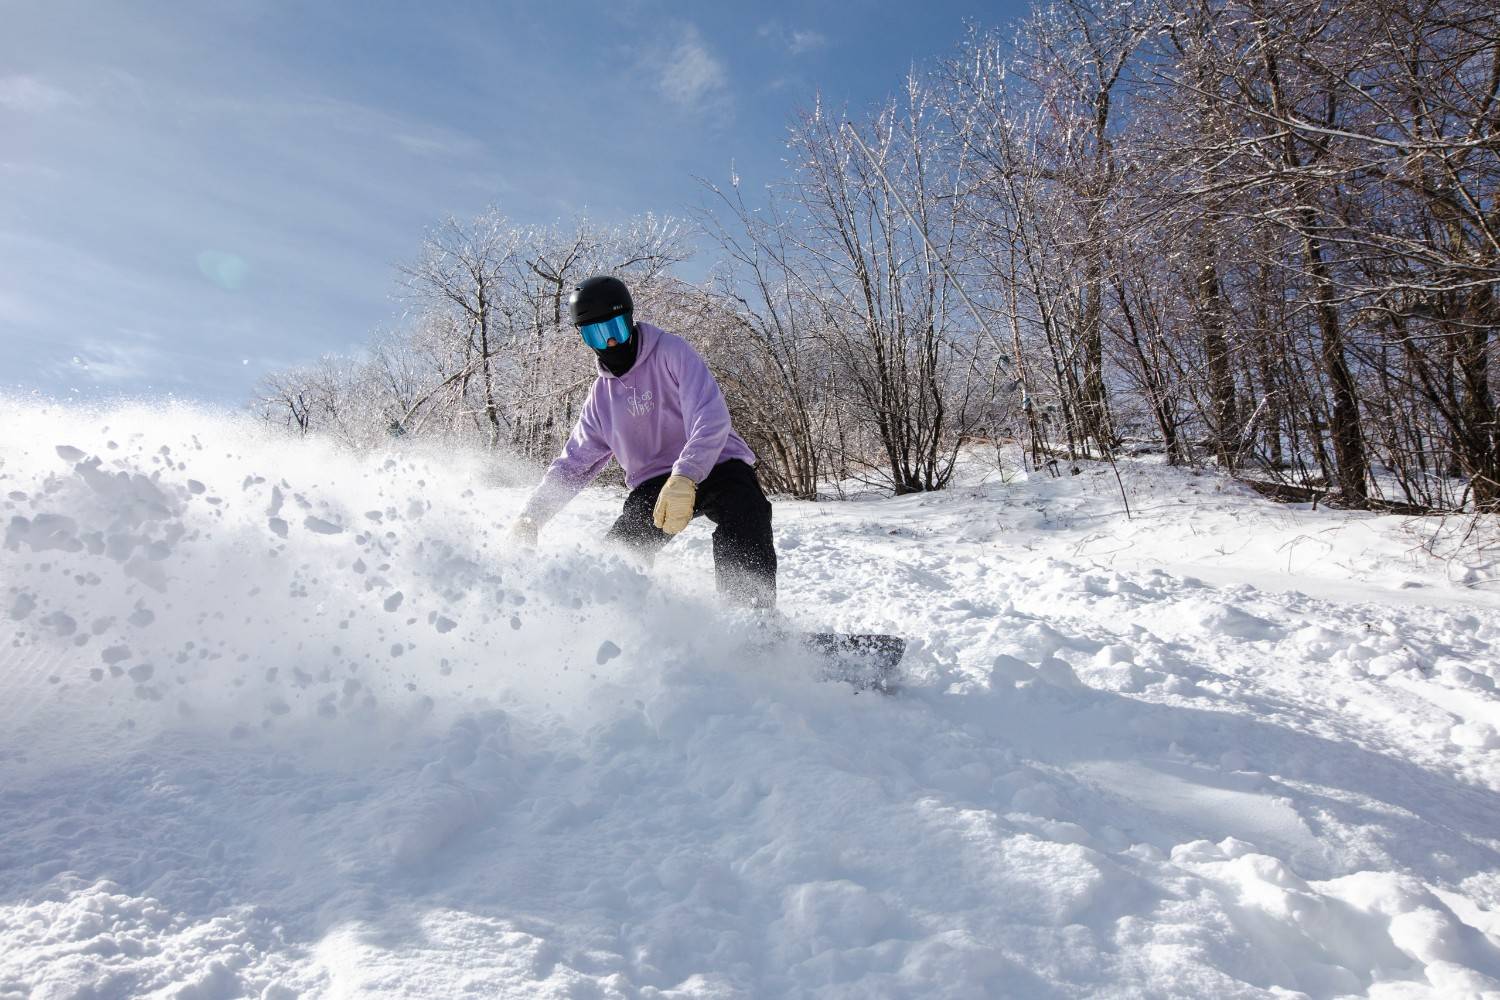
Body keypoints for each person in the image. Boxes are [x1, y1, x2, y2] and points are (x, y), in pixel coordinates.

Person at [510, 275, 777, 610]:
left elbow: (711, 417)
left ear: (630, 320)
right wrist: (532, 517)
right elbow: (573, 465)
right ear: (583, 337)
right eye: (596, 333)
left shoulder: (671, 352)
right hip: (654, 484)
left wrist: (686, 475)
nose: (609, 342)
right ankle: (619, 624)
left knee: (746, 509)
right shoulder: (600, 399)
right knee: (621, 551)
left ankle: (750, 616)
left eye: (616, 329)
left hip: (717, 463)